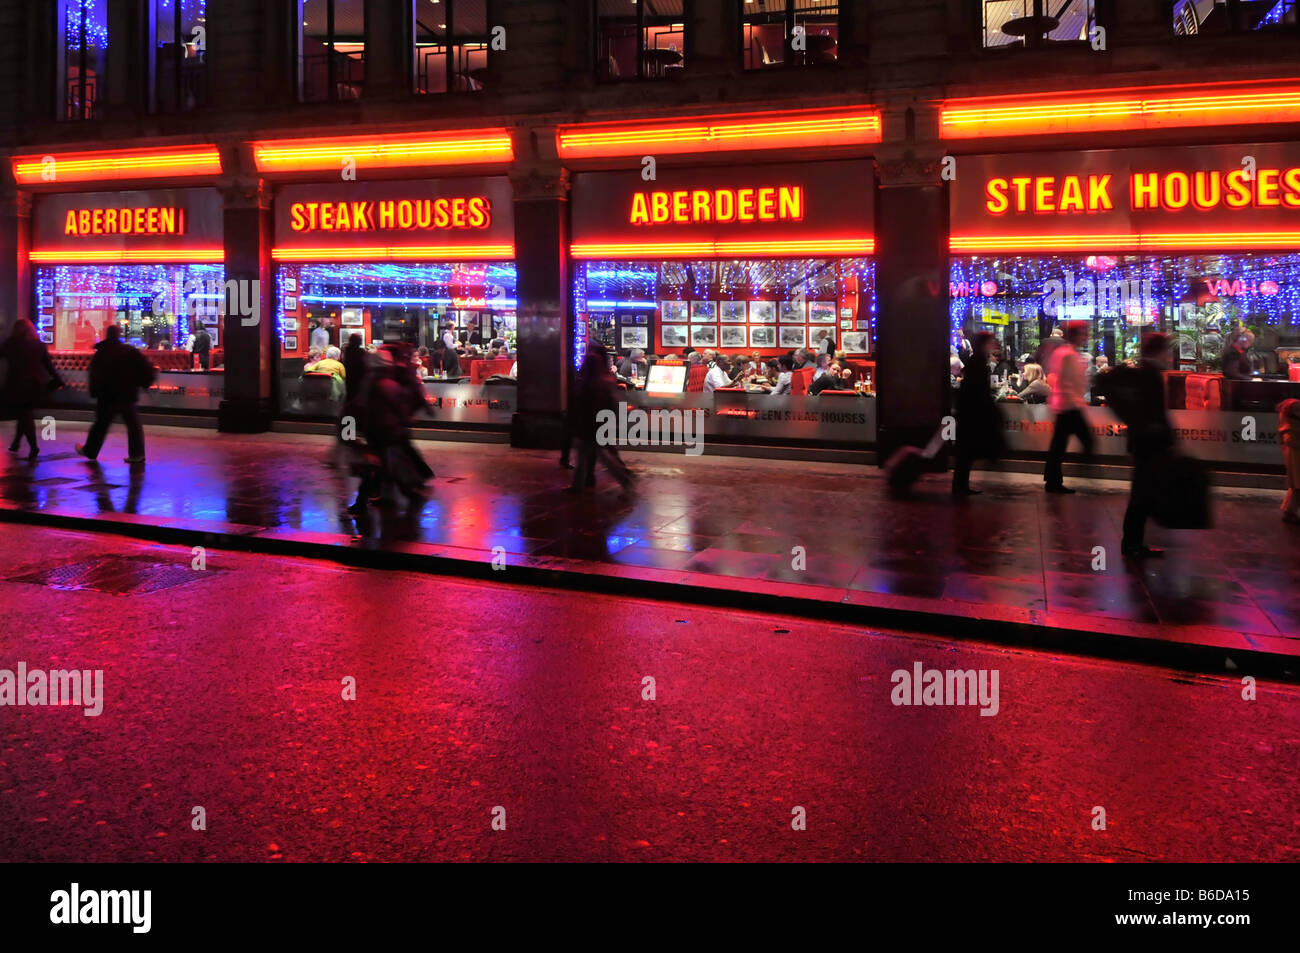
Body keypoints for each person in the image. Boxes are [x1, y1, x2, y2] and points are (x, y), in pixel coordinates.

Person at [1116, 333, 1175, 558]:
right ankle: (1131, 544)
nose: (1170, 354)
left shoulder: (1140, 370)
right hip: (1150, 441)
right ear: (1160, 350)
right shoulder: (1151, 373)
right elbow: (1156, 411)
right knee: (1142, 494)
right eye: (1167, 349)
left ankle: (1133, 542)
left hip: (1142, 440)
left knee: (1142, 492)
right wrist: (1168, 438)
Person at [75, 325, 156, 464]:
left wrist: (94, 392)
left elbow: (94, 374)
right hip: (126, 394)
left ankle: (90, 450)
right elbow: (145, 369)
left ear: (107, 335)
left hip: (106, 395)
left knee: (101, 424)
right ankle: (137, 454)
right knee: (133, 425)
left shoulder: (101, 353)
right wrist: (145, 383)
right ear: (119, 335)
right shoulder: (129, 351)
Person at [566, 343, 634, 496]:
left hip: (590, 424)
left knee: (598, 457)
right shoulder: (605, 380)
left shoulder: (589, 382)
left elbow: (585, 402)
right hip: (598, 423)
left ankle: (626, 483)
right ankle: (579, 484)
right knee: (594, 456)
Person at [952, 332, 1005, 497]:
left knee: (965, 454)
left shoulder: (977, 360)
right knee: (966, 454)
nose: (993, 344)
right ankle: (960, 486)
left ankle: (961, 486)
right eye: (990, 342)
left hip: (969, 413)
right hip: (971, 414)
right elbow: (978, 390)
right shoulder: (979, 361)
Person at [0, 319, 63, 459]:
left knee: (25, 415)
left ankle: (34, 447)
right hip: (36, 385)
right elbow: (48, 366)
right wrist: (58, 380)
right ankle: (16, 443)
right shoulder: (39, 345)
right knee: (25, 414)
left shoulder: (11, 344)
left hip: (17, 385)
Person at [1043, 321, 1092, 494]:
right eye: (1083, 333)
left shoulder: (1066, 353)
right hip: (1069, 405)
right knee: (1084, 441)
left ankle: (1052, 480)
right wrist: (1077, 402)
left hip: (1065, 404)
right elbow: (1066, 382)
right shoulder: (1068, 355)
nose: (1086, 337)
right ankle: (1059, 479)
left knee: (1058, 445)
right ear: (1074, 335)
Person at [1279, 397, 1300, 524]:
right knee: (1297, 487)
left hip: (1296, 458)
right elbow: (1290, 440)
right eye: (1297, 409)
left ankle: (1288, 511)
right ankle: (1289, 512)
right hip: (1296, 459)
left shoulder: (1291, 423)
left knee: (1296, 487)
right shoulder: (1290, 426)